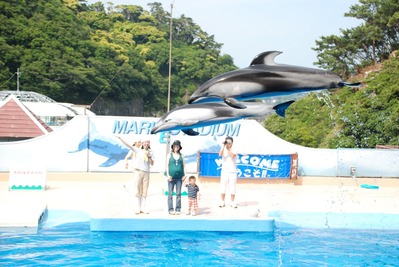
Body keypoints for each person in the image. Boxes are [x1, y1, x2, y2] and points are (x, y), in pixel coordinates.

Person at [118, 136, 154, 214]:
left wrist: (150, 157)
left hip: (146, 172)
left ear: (149, 144)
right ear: (142, 143)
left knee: (145, 190)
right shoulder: (137, 150)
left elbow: (152, 163)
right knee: (138, 189)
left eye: (147, 142)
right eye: (144, 142)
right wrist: (120, 138)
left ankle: (143, 208)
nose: (146, 143)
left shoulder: (150, 152)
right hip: (138, 171)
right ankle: (137, 208)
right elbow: (128, 145)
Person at [165, 140, 186, 215]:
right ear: (173, 147)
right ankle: (170, 209)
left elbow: (184, 165)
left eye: (178, 146)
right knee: (170, 193)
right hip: (171, 177)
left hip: (179, 177)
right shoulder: (169, 155)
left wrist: (185, 175)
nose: (176, 147)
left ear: (179, 147)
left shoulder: (182, 155)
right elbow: (167, 165)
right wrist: (167, 175)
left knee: (178, 194)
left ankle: (178, 208)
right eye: (175, 146)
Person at [218, 136, 238, 208]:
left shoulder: (234, 149)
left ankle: (232, 202)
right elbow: (220, 154)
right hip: (224, 171)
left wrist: (228, 149)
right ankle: (222, 201)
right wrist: (223, 146)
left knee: (232, 187)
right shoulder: (223, 148)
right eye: (227, 142)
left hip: (233, 172)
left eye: (229, 142)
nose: (228, 144)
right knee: (223, 186)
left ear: (232, 143)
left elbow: (233, 155)